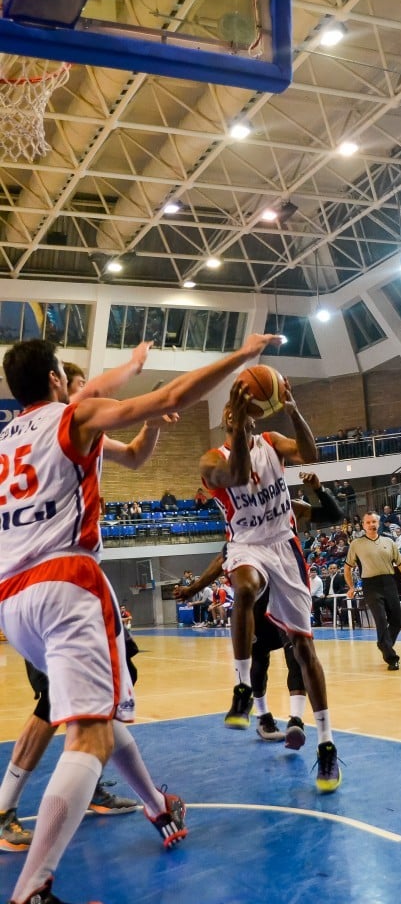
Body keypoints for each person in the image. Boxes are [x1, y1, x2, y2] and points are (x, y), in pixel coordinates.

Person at [0, 330, 279, 904]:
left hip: (11, 598)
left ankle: (156, 806)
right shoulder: (73, 415)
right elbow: (171, 396)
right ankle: (33, 889)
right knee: (89, 732)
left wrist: (131, 368)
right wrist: (243, 356)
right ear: (57, 380)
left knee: (99, 714)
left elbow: (117, 414)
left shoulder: (7, 438)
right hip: (64, 581)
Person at [0, 346, 180, 852]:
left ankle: (143, 800)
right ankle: (8, 807)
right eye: (74, 385)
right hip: (54, 578)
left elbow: (138, 456)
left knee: (95, 707)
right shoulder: (63, 421)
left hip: (26, 587)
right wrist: (134, 370)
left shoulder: (65, 432)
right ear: (60, 386)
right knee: (57, 707)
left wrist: (157, 423)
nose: (79, 392)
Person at [200, 381, 342, 792]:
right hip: (247, 546)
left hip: (284, 545)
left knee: (304, 649)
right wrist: (241, 428)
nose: (238, 415)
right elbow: (238, 473)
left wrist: (293, 408)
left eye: (243, 411)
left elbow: (311, 454)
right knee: (244, 589)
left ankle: (327, 745)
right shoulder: (212, 460)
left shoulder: (273, 441)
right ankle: (243, 687)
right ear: (226, 420)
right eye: (231, 412)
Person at [344, 511, 401, 671]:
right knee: (380, 620)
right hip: (370, 585)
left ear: (378, 523)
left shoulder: (389, 541)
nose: (371, 525)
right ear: (363, 525)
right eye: (368, 522)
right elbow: (347, 568)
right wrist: (351, 587)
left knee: (397, 621)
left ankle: (383, 644)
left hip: (389, 583)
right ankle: (391, 657)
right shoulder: (356, 544)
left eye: (374, 521)